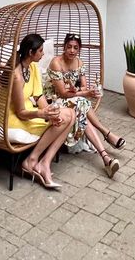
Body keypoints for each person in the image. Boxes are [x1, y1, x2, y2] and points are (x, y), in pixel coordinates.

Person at [46, 33, 125, 177]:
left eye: (75, 48)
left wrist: (81, 91)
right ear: (64, 47)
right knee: (81, 102)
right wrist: (83, 92)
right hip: (53, 100)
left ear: (79, 49)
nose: (72, 50)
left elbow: (84, 86)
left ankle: (106, 158)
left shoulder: (79, 63)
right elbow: (62, 93)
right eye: (69, 47)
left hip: (72, 99)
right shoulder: (56, 62)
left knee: (81, 107)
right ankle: (106, 134)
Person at [7, 33, 75, 189]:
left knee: (70, 114)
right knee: (65, 118)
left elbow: (38, 96)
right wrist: (42, 114)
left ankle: (44, 163)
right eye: (40, 51)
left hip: (30, 112)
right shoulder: (16, 76)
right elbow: (20, 112)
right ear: (31, 52)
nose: (43, 54)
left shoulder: (32, 67)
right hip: (14, 118)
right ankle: (31, 161)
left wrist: (50, 111)